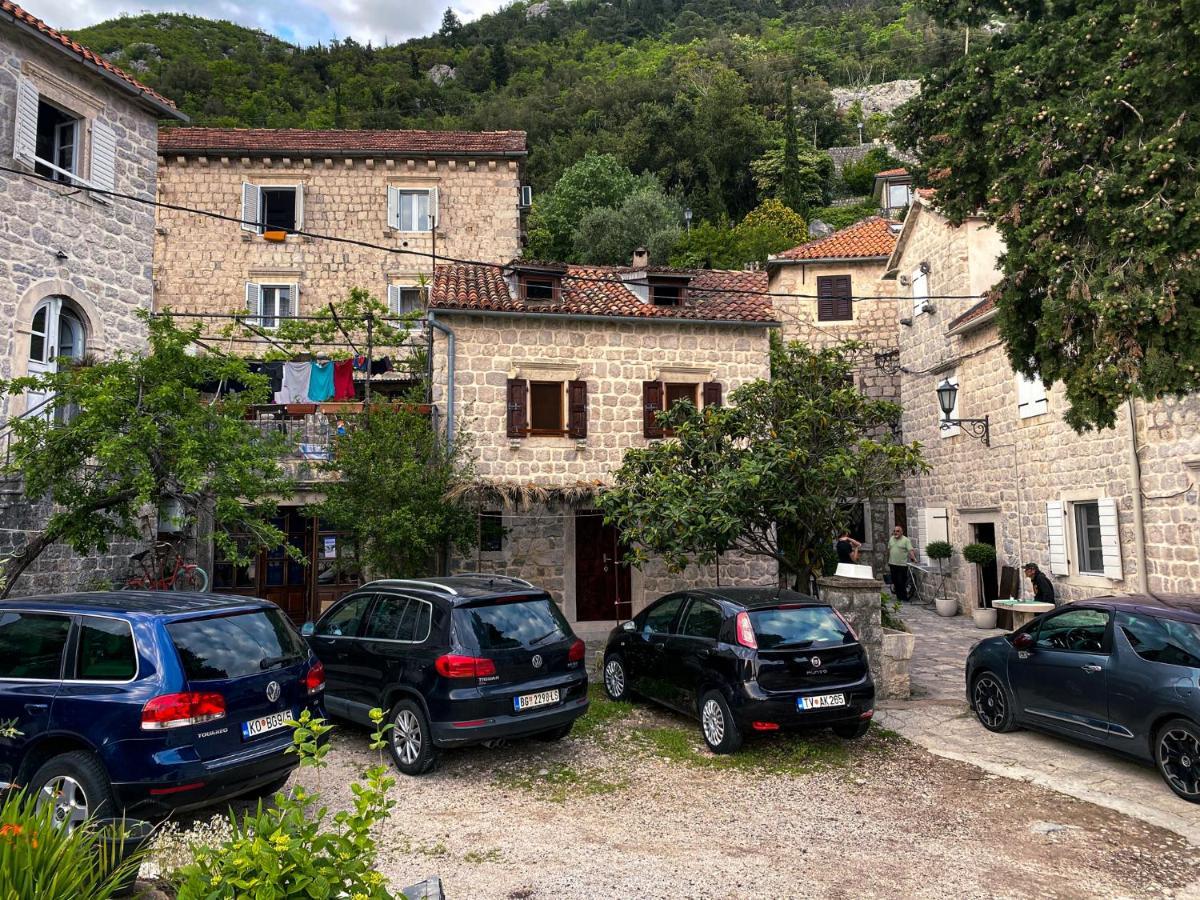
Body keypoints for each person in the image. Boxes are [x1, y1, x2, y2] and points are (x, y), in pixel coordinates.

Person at [887, 525, 917, 603]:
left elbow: (910, 550)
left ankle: (904, 597)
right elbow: (889, 549)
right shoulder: (891, 539)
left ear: (901, 532)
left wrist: (913, 558)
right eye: (894, 531)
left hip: (902, 565)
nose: (895, 532)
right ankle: (899, 596)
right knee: (895, 581)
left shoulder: (906, 540)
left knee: (901, 581)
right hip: (892, 563)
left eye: (897, 531)